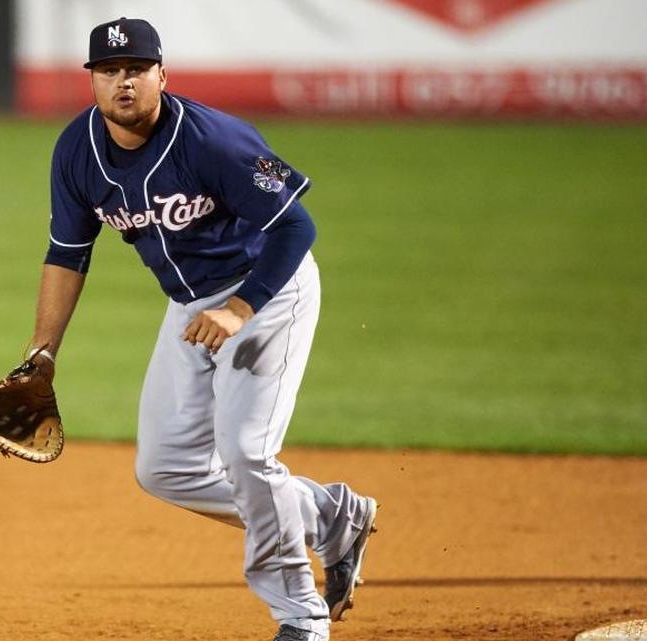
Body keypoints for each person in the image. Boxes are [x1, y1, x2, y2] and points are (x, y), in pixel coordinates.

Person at [25, 17, 378, 641]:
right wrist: (42, 354)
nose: (122, 83)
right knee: (163, 467)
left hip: (268, 292)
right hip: (191, 309)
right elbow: (66, 253)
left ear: (162, 73)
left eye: (135, 69)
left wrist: (243, 308)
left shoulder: (215, 141)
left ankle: (301, 617)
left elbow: (297, 228)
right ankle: (327, 517)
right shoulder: (76, 151)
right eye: (108, 72)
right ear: (93, 82)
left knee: (246, 451)